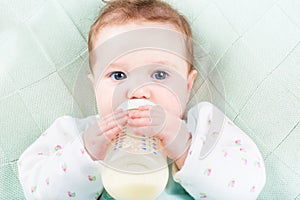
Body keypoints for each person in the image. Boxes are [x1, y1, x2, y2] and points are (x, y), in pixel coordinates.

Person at [18, 0, 266, 199]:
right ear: (95, 87)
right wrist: (86, 153)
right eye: (118, 75)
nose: (138, 92)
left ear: (187, 87)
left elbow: (246, 188)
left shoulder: (204, 127)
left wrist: (183, 144)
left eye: (160, 74)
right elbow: (37, 190)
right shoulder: (76, 134)